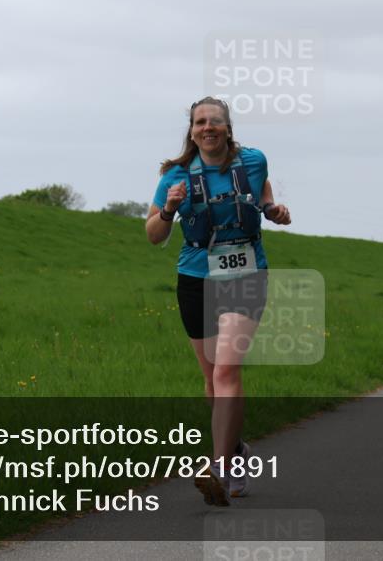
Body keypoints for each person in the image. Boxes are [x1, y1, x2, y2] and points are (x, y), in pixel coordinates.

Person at [145, 97, 291, 507]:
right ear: (191, 131)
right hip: (195, 278)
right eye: (199, 122)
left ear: (228, 128)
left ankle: (218, 471)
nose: (207, 127)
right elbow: (153, 235)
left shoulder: (253, 160)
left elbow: (262, 186)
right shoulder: (174, 176)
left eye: (215, 121)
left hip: (246, 274)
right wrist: (170, 209)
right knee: (212, 384)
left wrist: (270, 208)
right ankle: (237, 453)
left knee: (227, 370)